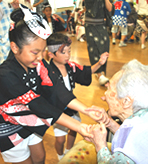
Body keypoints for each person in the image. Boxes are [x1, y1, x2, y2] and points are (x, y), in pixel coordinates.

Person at [0, 5, 108, 164]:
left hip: (29, 118)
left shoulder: (37, 64)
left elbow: (56, 88)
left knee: (40, 157)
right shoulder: (5, 76)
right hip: (7, 128)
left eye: (42, 51)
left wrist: (87, 110)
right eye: (35, 52)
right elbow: (39, 105)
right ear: (14, 47)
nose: (40, 58)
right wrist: (79, 127)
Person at [86, 59, 148, 163]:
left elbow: (129, 142)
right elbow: (134, 137)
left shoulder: (125, 151)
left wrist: (100, 145)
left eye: (109, 88)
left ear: (126, 101)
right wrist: (109, 122)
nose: (105, 94)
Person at [46, 32, 109, 160]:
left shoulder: (71, 66)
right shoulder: (47, 72)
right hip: (57, 110)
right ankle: (60, 156)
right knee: (59, 139)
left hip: (72, 105)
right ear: (51, 54)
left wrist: (99, 63)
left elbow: (86, 72)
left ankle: (69, 150)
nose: (68, 55)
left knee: (74, 129)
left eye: (69, 51)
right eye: (63, 52)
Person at [84, 0, 113, 86]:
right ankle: (99, 74)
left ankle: (102, 72)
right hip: (90, 24)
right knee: (93, 49)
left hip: (101, 24)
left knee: (105, 47)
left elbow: (110, 9)